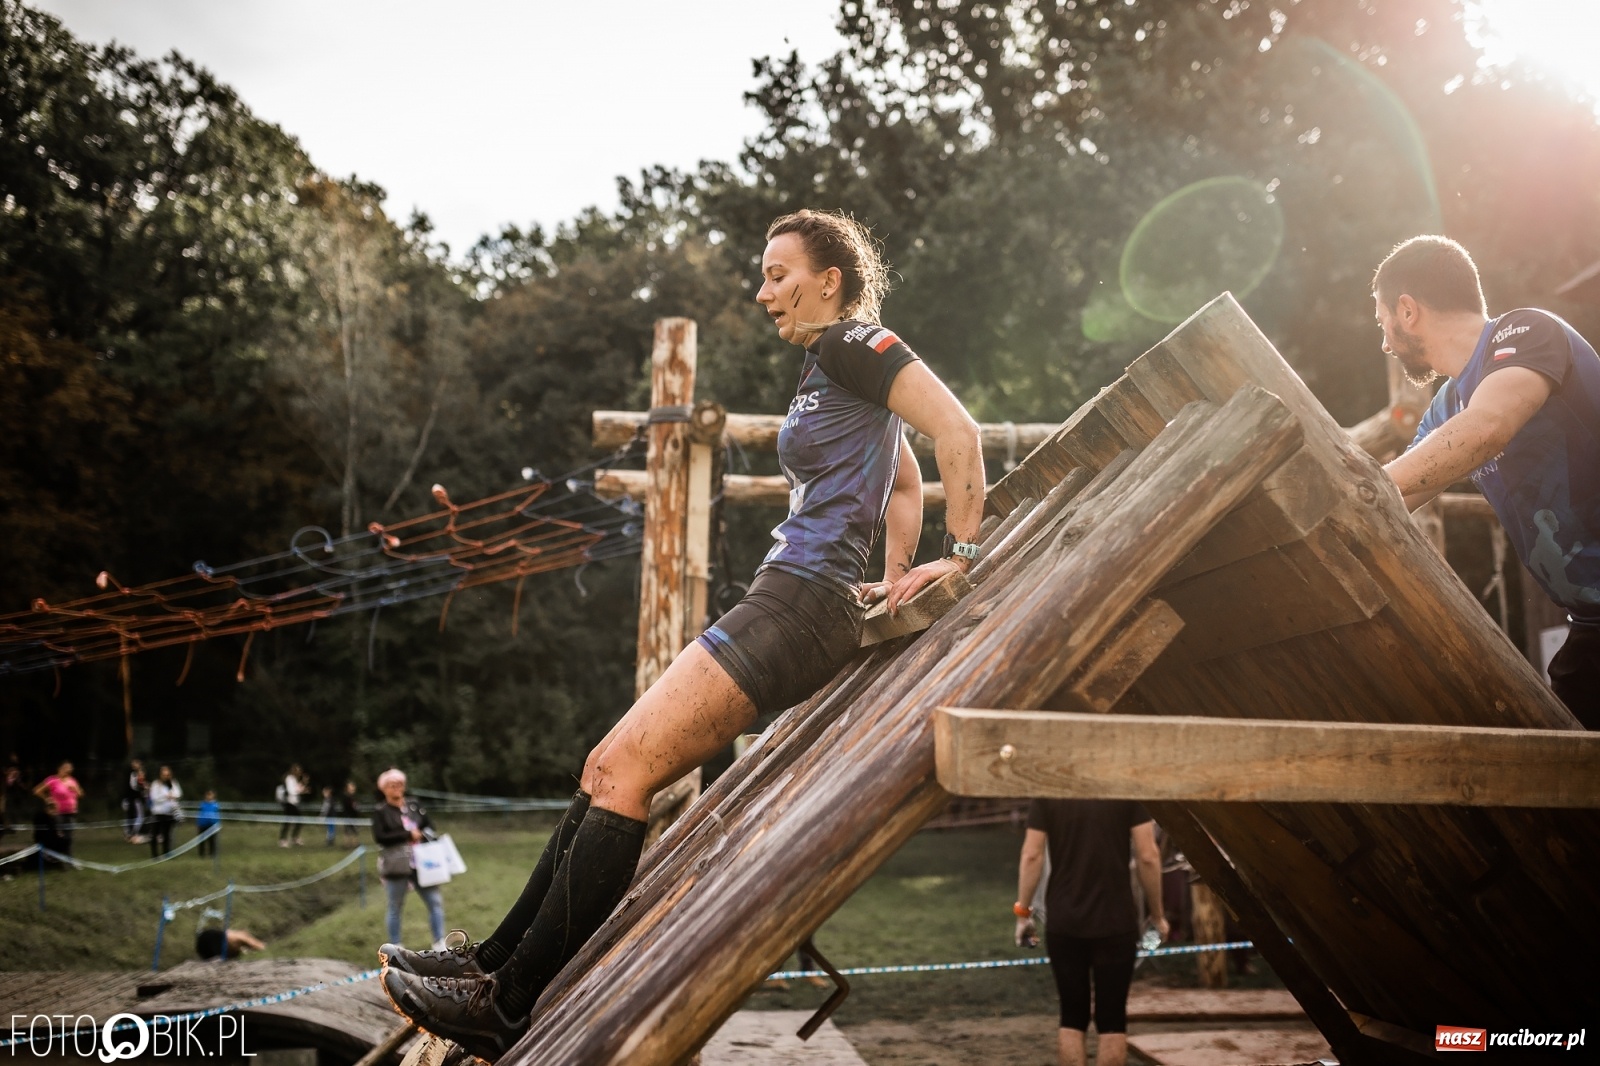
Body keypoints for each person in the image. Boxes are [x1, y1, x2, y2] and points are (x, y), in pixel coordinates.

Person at [377, 208, 986, 1060]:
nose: (762, 290)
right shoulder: (828, 368)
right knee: (603, 766)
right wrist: (890, 570)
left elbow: (956, 432)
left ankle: (509, 1004)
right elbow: (905, 478)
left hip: (801, 604)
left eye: (778, 273)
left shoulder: (859, 344)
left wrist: (955, 560)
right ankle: (488, 966)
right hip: (796, 594)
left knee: (625, 774)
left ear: (829, 280)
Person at [1373, 236, 1600, 727]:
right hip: (1591, 625)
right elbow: (1395, 494)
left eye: (1383, 322)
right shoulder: (1445, 408)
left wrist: (1361, 489)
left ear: (1407, 310)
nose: (1386, 342)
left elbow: (1488, 428)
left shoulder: (1526, 331)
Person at [1015, 800, 1167, 1066]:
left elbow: (1031, 855)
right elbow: (1148, 856)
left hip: (1065, 921)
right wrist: (1157, 915)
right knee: (1112, 1020)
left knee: (1072, 1016)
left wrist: (1023, 914)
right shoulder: (1124, 790)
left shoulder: (1049, 792)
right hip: (1116, 920)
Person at [373, 768, 448, 950]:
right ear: (384, 788)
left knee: (435, 901)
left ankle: (439, 942)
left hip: (423, 863)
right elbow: (380, 837)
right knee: (395, 906)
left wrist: (421, 834)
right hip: (397, 864)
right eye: (393, 785)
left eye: (400, 784)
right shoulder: (381, 811)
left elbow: (429, 825)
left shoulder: (414, 805)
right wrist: (407, 835)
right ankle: (395, 946)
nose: (398, 788)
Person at [32, 762, 83, 857]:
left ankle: (69, 859)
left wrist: (75, 790)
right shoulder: (53, 780)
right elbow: (37, 791)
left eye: (70, 770)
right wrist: (47, 798)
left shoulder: (72, 781)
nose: (68, 772)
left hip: (71, 812)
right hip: (58, 812)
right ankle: (56, 857)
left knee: (69, 837)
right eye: (66, 769)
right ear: (60, 769)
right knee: (59, 835)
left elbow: (80, 794)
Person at [146, 765, 182, 857]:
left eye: (168, 774)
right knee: (154, 834)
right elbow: (154, 798)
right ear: (160, 775)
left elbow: (178, 793)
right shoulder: (155, 784)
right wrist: (166, 797)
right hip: (157, 813)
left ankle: (166, 854)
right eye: (164, 774)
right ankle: (154, 855)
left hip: (169, 813)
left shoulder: (173, 783)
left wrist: (173, 796)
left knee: (167, 834)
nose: (166, 776)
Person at [196, 925, 266, 961]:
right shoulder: (235, 938)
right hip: (214, 946)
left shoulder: (232, 938)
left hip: (206, 949)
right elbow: (260, 947)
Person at [278, 764, 306, 847]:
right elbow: (291, 791)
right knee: (288, 822)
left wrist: (302, 787)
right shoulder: (289, 779)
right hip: (289, 803)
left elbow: (297, 789)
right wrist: (299, 790)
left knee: (298, 820)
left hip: (294, 803)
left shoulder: (294, 779)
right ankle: (283, 840)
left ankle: (294, 837)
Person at [122, 759, 147, 843]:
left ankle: (130, 833)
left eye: (137, 762)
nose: (134, 764)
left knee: (133, 816)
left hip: (134, 799)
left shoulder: (139, 773)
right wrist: (143, 787)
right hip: (132, 799)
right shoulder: (132, 774)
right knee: (138, 817)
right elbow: (134, 786)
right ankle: (132, 833)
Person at [195, 789, 221, 857]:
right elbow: (199, 814)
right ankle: (201, 854)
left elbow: (217, 814)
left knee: (212, 841)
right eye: (208, 794)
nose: (209, 796)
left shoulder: (215, 805)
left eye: (210, 794)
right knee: (201, 840)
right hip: (203, 824)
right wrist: (198, 823)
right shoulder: (202, 804)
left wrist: (218, 824)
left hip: (212, 825)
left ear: (213, 795)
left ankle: (212, 854)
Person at [339, 780, 363, 846]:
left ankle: (356, 843)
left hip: (354, 816)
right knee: (347, 831)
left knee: (355, 831)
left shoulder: (354, 797)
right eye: (351, 787)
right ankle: (347, 844)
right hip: (348, 816)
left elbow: (356, 806)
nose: (353, 789)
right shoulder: (345, 797)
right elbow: (347, 806)